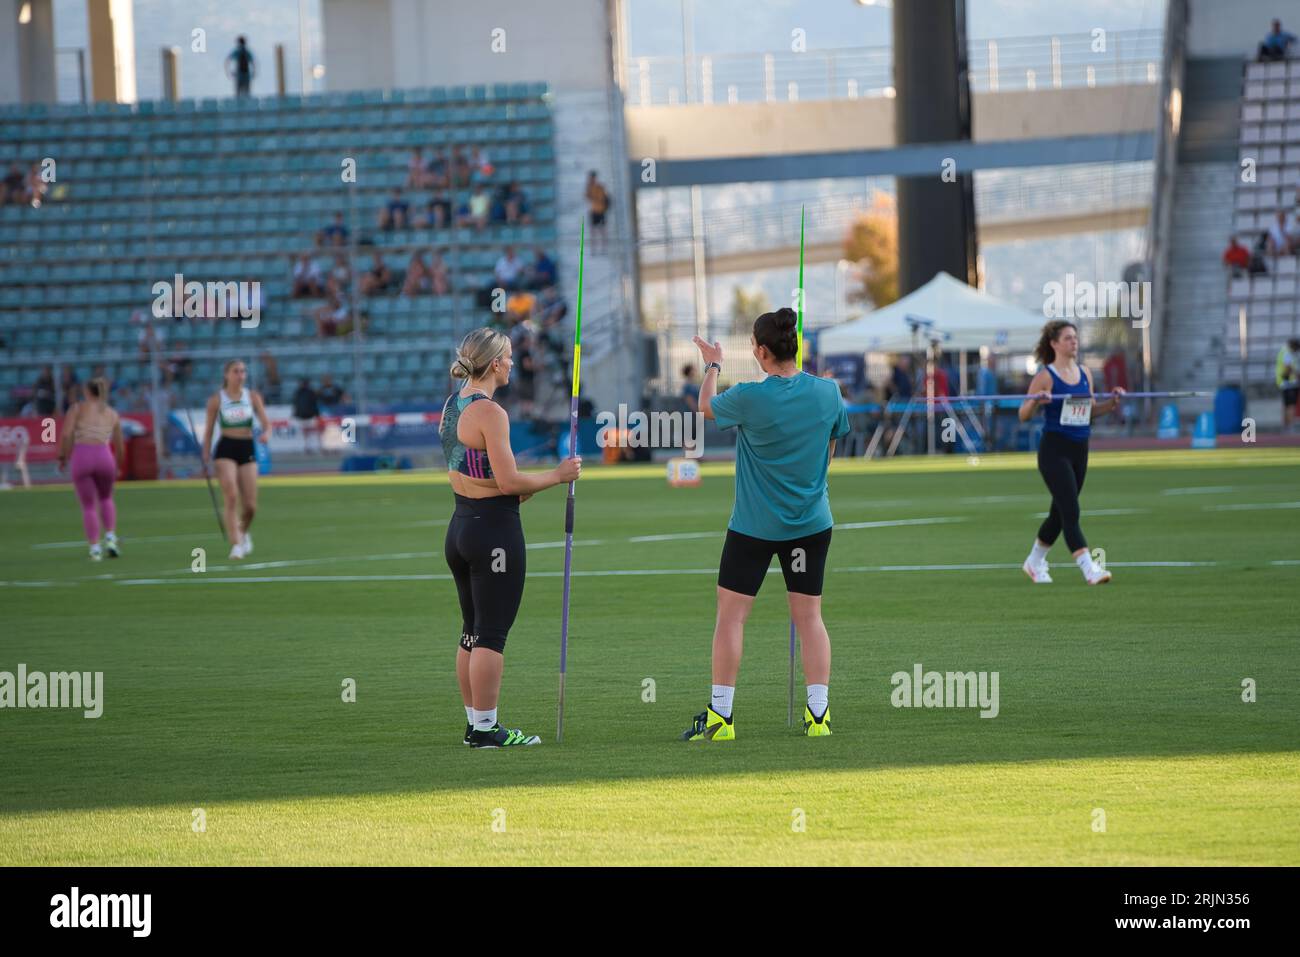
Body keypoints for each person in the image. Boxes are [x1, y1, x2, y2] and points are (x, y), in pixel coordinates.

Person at [680, 308, 851, 742]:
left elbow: (704, 407)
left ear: (759, 351)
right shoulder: (829, 392)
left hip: (754, 527)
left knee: (732, 618)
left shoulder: (749, 397)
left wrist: (713, 364)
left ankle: (721, 717)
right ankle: (818, 715)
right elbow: (829, 449)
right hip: (811, 523)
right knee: (809, 617)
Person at [439, 328, 582, 748]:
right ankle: (486, 729)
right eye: (510, 357)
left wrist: (521, 488)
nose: (514, 363)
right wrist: (557, 476)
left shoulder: (453, 404)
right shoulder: (491, 413)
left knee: (471, 631)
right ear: (496, 363)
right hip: (494, 534)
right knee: (491, 635)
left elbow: (473, 474)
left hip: (462, 527)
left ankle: (474, 724)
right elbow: (507, 480)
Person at [1018, 320, 1125, 586]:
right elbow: (1023, 414)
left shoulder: (1085, 373)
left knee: (1059, 513)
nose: (1073, 342)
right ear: (1054, 344)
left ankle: (1034, 562)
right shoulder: (1045, 376)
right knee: (1071, 511)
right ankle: (1089, 569)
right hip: (1055, 450)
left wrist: (1110, 403)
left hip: (1080, 449)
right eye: (1067, 338)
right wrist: (1036, 401)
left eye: (1075, 338)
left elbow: (1089, 411)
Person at [202, 359, 271, 560]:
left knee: (250, 506)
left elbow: (267, 424)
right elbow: (208, 430)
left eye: (243, 371)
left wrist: (266, 433)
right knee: (231, 495)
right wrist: (206, 452)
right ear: (227, 375)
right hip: (226, 448)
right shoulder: (217, 399)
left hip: (247, 446)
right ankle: (236, 544)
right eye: (236, 371)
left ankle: (243, 531)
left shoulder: (253, 397)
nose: (240, 375)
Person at [57, 377, 124, 561]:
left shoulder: (77, 409)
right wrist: (118, 465)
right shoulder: (111, 413)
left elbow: (66, 434)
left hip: (82, 456)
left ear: (87, 392)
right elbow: (119, 445)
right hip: (104, 457)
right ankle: (110, 537)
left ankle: (95, 548)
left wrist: (63, 456)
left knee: (88, 506)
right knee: (106, 498)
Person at [292, 378, 322, 454]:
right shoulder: (298, 393)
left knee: (314, 431)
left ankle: (317, 446)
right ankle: (307, 447)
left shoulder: (311, 393)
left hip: (310, 416)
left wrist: (317, 414)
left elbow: (315, 404)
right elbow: (296, 405)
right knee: (305, 432)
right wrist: (295, 414)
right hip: (302, 416)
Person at [1276, 339, 1299, 429]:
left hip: (1284, 382)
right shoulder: (1288, 353)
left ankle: (1285, 426)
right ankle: (1290, 426)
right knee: (1291, 405)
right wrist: (1296, 374)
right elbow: (1288, 367)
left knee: (1286, 405)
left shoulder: (1283, 351)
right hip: (1290, 382)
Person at [585, 170, 609, 254]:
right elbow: (587, 197)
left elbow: (602, 198)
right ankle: (594, 249)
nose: (591, 179)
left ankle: (603, 248)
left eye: (592, 177)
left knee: (602, 230)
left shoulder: (599, 187)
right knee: (593, 231)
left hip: (600, 210)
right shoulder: (590, 187)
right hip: (594, 211)